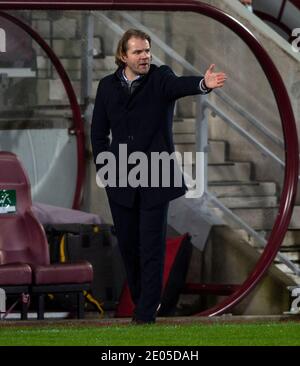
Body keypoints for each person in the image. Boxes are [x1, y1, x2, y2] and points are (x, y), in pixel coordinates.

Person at [91, 29, 226, 324]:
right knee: (128, 247)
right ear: (123, 56)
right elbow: (98, 133)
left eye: (147, 51)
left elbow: (179, 86)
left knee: (151, 246)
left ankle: (145, 313)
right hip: (120, 179)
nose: (145, 56)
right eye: (138, 52)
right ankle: (144, 303)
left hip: (156, 176)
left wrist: (203, 84)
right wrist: (106, 170)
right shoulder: (106, 86)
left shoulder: (160, 76)